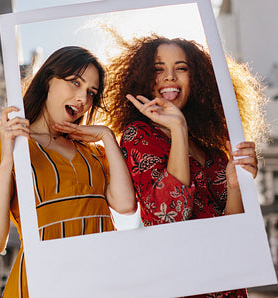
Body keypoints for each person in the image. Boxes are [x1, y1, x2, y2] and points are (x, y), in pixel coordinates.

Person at [0, 46, 137, 297]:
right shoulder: (1, 143)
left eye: (91, 92)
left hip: (102, 282)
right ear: (47, 81)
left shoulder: (94, 152)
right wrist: (9, 158)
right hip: (41, 285)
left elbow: (126, 205)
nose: (83, 99)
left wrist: (107, 137)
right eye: (75, 82)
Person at [104, 33, 267, 297]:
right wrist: (177, 128)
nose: (170, 76)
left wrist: (237, 184)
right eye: (158, 69)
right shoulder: (139, 136)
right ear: (144, 79)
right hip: (183, 284)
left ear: (197, 80)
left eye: (181, 68)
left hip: (227, 282)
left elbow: (233, 230)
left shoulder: (212, 147)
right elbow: (170, 215)